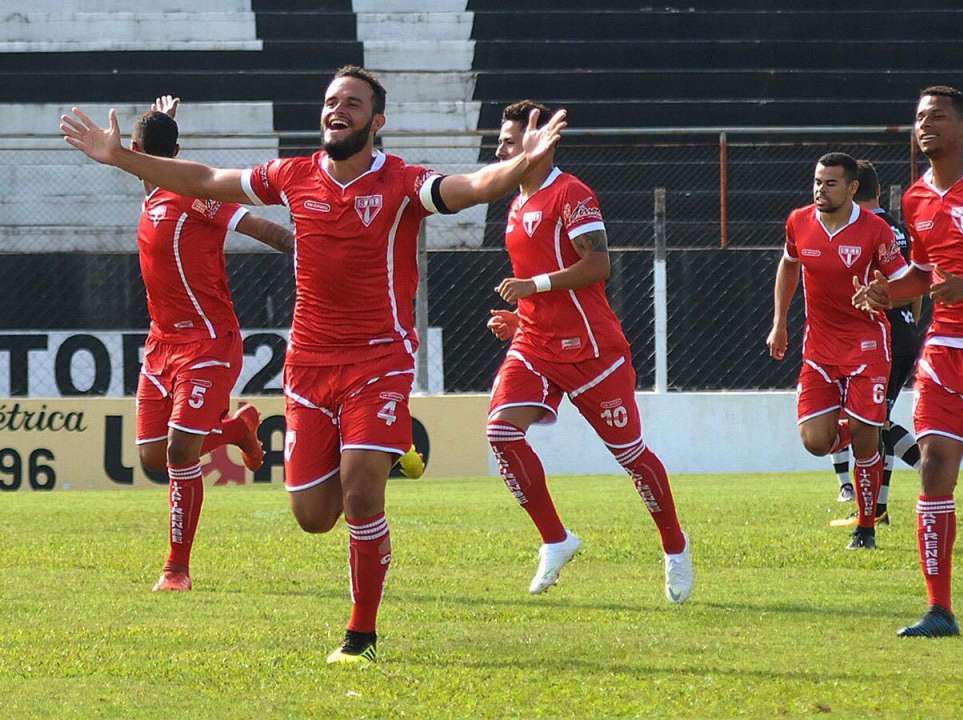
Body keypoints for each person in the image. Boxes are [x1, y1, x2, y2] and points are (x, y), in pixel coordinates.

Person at [61, 66, 566, 663]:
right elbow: (203, 176)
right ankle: (386, 448)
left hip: (379, 361)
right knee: (312, 516)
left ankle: (360, 636)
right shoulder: (293, 175)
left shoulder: (402, 181)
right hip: (307, 368)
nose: (338, 109)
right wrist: (120, 158)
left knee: (359, 495)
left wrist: (519, 166)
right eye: (331, 101)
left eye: (353, 103)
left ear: (377, 121)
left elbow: (473, 187)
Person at [485, 100, 693, 604]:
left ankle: (675, 546)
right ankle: (555, 539)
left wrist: (532, 287)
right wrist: (523, 317)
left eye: (509, 142)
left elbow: (598, 265)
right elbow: (545, 294)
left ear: (539, 144)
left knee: (630, 455)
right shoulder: (515, 204)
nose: (500, 149)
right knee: (500, 431)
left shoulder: (571, 193)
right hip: (535, 344)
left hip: (593, 351)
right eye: (501, 141)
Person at [854, 86, 963, 637]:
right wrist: (887, 291)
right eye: (920, 117)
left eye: (938, 117)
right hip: (945, 352)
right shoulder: (915, 198)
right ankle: (939, 610)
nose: (925, 125)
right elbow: (923, 274)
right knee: (932, 468)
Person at [130, 96, 293, 593]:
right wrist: (167, 132)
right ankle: (239, 427)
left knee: (180, 453)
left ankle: (176, 569)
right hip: (161, 345)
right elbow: (151, 164)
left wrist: (315, 246)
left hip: (208, 343)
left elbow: (260, 226)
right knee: (152, 457)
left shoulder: (199, 195)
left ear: (136, 149)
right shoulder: (155, 191)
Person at [767, 152, 909, 550]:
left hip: (867, 346)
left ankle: (865, 527)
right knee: (815, 441)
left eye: (830, 183)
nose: (820, 189)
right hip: (820, 347)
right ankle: (870, 426)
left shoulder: (875, 230)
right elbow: (789, 263)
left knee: (864, 443)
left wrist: (883, 296)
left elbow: (902, 281)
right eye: (816, 181)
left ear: (851, 188)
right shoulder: (799, 222)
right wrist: (780, 322)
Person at [829, 160, 923, 522]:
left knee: (866, 421)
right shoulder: (900, 227)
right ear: (879, 191)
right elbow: (914, 282)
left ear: (852, 190)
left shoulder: (861, 229)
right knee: (876, 420)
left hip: (875, 337)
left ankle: (926, 464)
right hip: (904, 333)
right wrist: (909, 322)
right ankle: (877, 509)